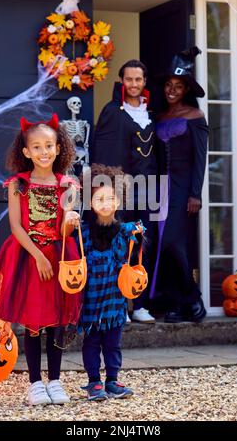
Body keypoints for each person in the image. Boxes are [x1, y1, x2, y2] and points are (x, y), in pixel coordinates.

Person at [0, 113, 82, 405]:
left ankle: (56, 381)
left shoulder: (68, 185)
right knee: (33, 321)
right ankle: (35, 383)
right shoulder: (18, 184)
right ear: (25, 151)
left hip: (59, 258)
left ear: (59, 147)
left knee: (58, 321)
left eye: (48, 145)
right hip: (29, 258)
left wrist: (70, 221)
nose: (43, 152)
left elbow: (64, 229)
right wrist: (37, 256)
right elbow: (16, 227)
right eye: (36, 147)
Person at [65, 164, 143, 401]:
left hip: (113, 300)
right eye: (100, 198)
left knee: (113, 343)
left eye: (111, 198)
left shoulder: (125, 231)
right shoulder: (84, 232)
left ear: (119, 201)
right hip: (90, 299)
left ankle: (112, 380)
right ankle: (93, 382)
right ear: (90, 202)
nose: (106, 203)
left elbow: (135, 254)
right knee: (91, 343)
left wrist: (139, 236)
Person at [92, 60, 156, 323]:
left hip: (149, 187)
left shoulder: (152, 112)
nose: (133, 84)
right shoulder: (111, 112)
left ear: (144, 82)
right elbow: (103, 150)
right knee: (118, 243)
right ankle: (121, 305)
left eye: (138, 79)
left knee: (141, 243)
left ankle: (139, 304)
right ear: (121, 80)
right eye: (129, 79)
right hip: (120, 188)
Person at [150, 47, 208, 323]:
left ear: (186, 89)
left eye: (178, 86)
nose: (172, 90)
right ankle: (174, 302)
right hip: (160, 188)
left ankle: (192, 296)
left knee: (176, 243)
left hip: (185, 188)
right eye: (169, 85)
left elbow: (200, 158)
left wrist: (196, 193)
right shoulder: (158, 118)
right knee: (161, 245)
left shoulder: (195, 118)